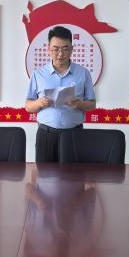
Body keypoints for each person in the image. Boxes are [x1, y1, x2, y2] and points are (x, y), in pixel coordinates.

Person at [25, 25, 97, 162]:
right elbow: (28, 106)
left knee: (74, 174)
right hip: (46, 135)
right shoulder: (38, 74)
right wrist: (39, 102)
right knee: (44, 174)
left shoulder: (83, 73)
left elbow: (92, 104)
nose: (60, 54)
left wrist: (79, 103)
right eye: (56, 49)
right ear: (48, 49)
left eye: (65, 49)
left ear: (72, 49)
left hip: (74, 134)